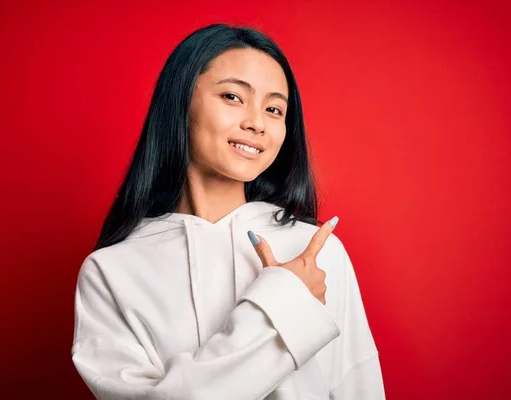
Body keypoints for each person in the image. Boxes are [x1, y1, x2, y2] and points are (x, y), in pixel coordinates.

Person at [71, 24, 385, 399]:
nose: (256, 123)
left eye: (273, 109)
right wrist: (284, 304)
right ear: (180, 101)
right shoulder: (110, 273)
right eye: (233, 97)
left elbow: (356, 388)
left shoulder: (314, 254)